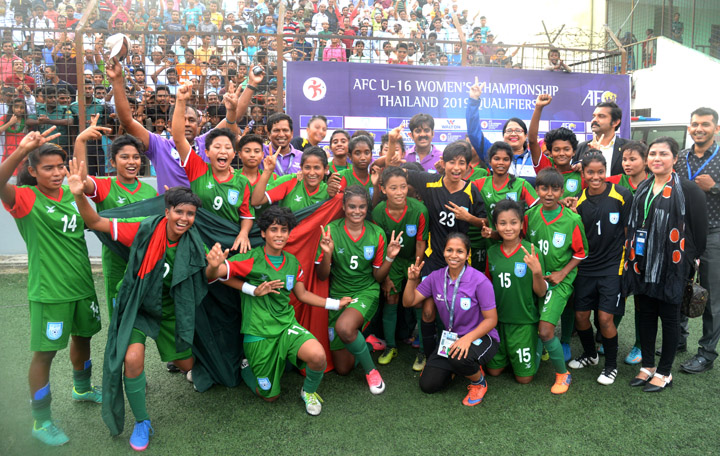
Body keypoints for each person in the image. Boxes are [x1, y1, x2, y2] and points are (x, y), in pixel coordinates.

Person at [67, 170, 228, 449]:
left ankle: (187, 365)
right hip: (138, 307)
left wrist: (213, 265)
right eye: (179, 211)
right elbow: (94, 221)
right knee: (132, 359)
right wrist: (79, 194)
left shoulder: (193, 243)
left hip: (169, 312)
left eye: (190, 214)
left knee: (190, 367)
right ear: (167, 211)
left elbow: (209, 279)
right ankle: (142, 421)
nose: (184, 218)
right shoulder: (143, 228)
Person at [0, 129, 102, 446]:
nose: (56, 173)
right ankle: (41, 421)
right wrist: (21, 149)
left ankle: (81, 387)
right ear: (32, 171)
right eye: (48, 168)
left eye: (60, 166)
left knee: (83, 337)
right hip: (50, 292)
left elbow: (95, 222)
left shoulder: (74, 193)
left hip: (82, 286)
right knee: (44, 354)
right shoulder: (27, 199)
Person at [212, 206, 351, 415]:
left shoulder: (293, 263)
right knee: (270, 396)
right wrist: (250, 289)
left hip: (286, 326)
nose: (279, 235)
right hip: (258, 332)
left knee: (318, 356)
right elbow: (215, 275)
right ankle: (247, 368)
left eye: (284, 230)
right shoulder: (251, 258)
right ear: (263, 233)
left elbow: (302, 295)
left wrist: (334, 303)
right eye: (274, 229)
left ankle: (308, 391)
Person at [624, 137, 707, 392]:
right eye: (652, 154)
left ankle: (664, 371)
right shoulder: (643, 187)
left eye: (663, 154)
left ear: (675, 159)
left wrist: (685, 262)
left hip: (672, 267)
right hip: (642, 264)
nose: (656, 158)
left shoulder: (689, 190)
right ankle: (647, 365)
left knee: (669, 319)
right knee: (645, 316)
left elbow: (698, 233)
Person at [315, 185, 402, 393]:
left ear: (366, 208)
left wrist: (390, 257)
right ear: (344, 207)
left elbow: (378, 277)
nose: (357, 211)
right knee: (343, 369)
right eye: (352, 206)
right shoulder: (331, 230)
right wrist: (327, 253)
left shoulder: (376, 233)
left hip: (365, 291)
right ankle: (368, 343)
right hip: (338, 295)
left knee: (345, 328)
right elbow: (322, 275)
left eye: (362, 207)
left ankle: (372, 372)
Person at [73, 117, 157, 317]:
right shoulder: (105, 186)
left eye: (136, 157)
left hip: (144, 262)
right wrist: (80, 141)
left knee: (143, 316)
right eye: (124, 157)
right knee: (119, 317)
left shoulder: (149, 192)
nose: (132, 162)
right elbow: (81, 180)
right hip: (116, 262)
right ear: (112, 161)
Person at [403, 233, 499, 406]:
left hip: (482, 337)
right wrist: (412, 280)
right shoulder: (435, 277)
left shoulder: (480, 281)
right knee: (428, 385)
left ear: (468, 254)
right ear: (443, 251)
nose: (454, 255)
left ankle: (478, 382)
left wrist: (468, 339)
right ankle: (458, 368)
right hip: (452, 340)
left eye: (460, 251)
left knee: (460, 358)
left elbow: (491, 320)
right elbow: (409, 301)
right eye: (450, 250)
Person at [523, 167, 588, 394]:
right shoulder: (529, 216)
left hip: (559, 282)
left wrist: (562, 273)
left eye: (555, 189)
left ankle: (563, 374)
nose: (549, 193)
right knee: (534, 323)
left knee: (545, 330)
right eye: (544, 188)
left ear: (562, 191)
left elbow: (581, 252)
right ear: (537, 189)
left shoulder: (572, 219)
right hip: (535, 279)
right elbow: (520, 241)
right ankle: (539, 354)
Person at [569, 153, 632, 385]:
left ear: (605, 171)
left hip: (612, 267)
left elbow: (628, 231)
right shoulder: (578, 200)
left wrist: (627, 263)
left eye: (600, 172)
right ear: (583, 174)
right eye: (590, 173)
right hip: (586, 267)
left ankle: (611, 366)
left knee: (605, 319)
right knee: (581, 316)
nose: (595, 177)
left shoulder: (621, 195)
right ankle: (590, 354)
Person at [171, 81, 253, 253]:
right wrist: (180, 101)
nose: (222, 151)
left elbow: (246, 215)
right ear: (207, 152)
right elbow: (178, 138)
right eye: (217, 147)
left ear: (234, 153)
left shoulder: (242, 181)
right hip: (200, 241)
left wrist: (244, 234)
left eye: (228, 148)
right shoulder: (198, 169)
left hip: (230, 242)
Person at [676, 107, 720, 374]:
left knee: (711, 296)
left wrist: (714, 187)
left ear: (716, 128)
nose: (699, 128)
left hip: (714, 233)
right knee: (679, 287)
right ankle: (679, 339)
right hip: (681, 234)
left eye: (705, 124)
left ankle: (706, 353)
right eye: (694, 124)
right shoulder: (680, 157)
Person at [372, 166, 429, 365]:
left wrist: (417, 268)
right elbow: (379, 246)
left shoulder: (419, 210)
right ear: (384, 189)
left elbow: (421, 242)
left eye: (403, 187)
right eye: (393, 188)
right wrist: (385, 276)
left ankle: (422, 350)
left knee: (417, 301)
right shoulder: (378, 212)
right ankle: (391, 346)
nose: (399, 192)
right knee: (391, 298)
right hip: (392, 262)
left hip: (413, 260)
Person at [485, 200, 546, 384]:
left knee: (524, 379)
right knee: (493, 372)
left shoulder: (531, 251)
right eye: (502, 223)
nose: (508, 228)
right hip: (497, 322)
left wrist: (537, 272)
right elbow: (487, 287)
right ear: (495, 226)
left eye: (513, 222)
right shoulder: (492, 252)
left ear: (521, 224)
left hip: (524, 322)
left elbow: (542, 292)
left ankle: (538, 344)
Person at [607, 140, 649, 364]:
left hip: (646, 250)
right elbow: (593, 185)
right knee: (619, 294)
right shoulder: (614, 182)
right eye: (624, 159)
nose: (627, 163)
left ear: (645, 161)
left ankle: (639, 346)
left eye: (633, 159)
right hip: (619, 250)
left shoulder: (654, 183)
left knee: (642, 299)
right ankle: (608, 336)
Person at [466, 80, 539, 185]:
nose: (513, 134)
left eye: (518, 130)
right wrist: (473, 100)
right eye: (509, 131)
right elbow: (473, 133)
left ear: (526, 135)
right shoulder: (492, 153)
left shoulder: (536, 158)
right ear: (503, 136)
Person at [252, 146, 338, 211]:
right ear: (301, 167)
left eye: (317, 168)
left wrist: (332, 197)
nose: (312, 173)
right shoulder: (290, 181)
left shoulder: (329, 191)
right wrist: (267, 171)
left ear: (326, 169)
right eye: (307, 167)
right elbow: (256, 201)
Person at [575, 101, 628, 177]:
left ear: (615, 122)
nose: (594, 120)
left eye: (601, 116)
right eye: (594, 116)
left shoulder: (626, 147)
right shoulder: (582, 147)